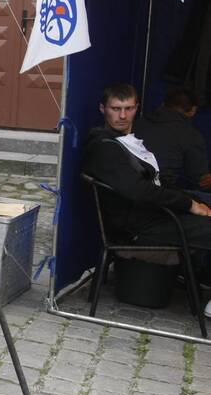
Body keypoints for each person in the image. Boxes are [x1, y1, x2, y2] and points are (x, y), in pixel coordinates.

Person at [83, 83, 211, 317]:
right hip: (137, 227)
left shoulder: (128, 141)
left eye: (129, 108)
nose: (122, 115)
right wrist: (190, 205)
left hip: (155, 216)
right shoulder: (104, 147)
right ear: (103, 109)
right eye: (116, 108)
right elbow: (141, 191)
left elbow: (158, 185)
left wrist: (192, 201)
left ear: (137, 108)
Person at [133, 87, 211, 194]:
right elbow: (201, 182)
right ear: (193, 110)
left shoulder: (137, 123)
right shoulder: (191, 135)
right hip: (158, 197)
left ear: (163, 104)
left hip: (125, 189)